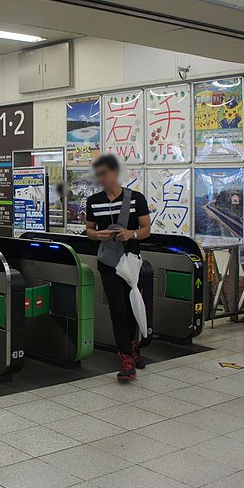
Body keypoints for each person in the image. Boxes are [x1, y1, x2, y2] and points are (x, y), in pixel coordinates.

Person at [85, 154, 151, 382]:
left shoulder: (136, 199)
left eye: (105, 173)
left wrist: (130, 234)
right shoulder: (93, 201)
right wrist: (97, 235)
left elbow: (146, 229)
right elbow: (89, 231)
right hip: (108, 262)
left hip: (131, 260)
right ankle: (126, 358)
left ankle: (133, 349)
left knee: (132, 305)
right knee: (117, 308)